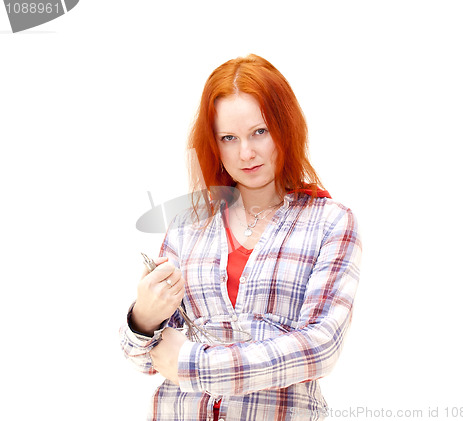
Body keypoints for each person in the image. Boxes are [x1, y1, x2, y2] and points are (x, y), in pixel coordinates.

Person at [119, 54, 362, 421]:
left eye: (259, 132)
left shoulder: (329, 223)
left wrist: (193, 363)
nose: (245, 153)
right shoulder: (187, 227)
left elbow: (320, 347)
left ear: (286, 127)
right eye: (228, 138)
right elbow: (146, 360)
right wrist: (143, 318)